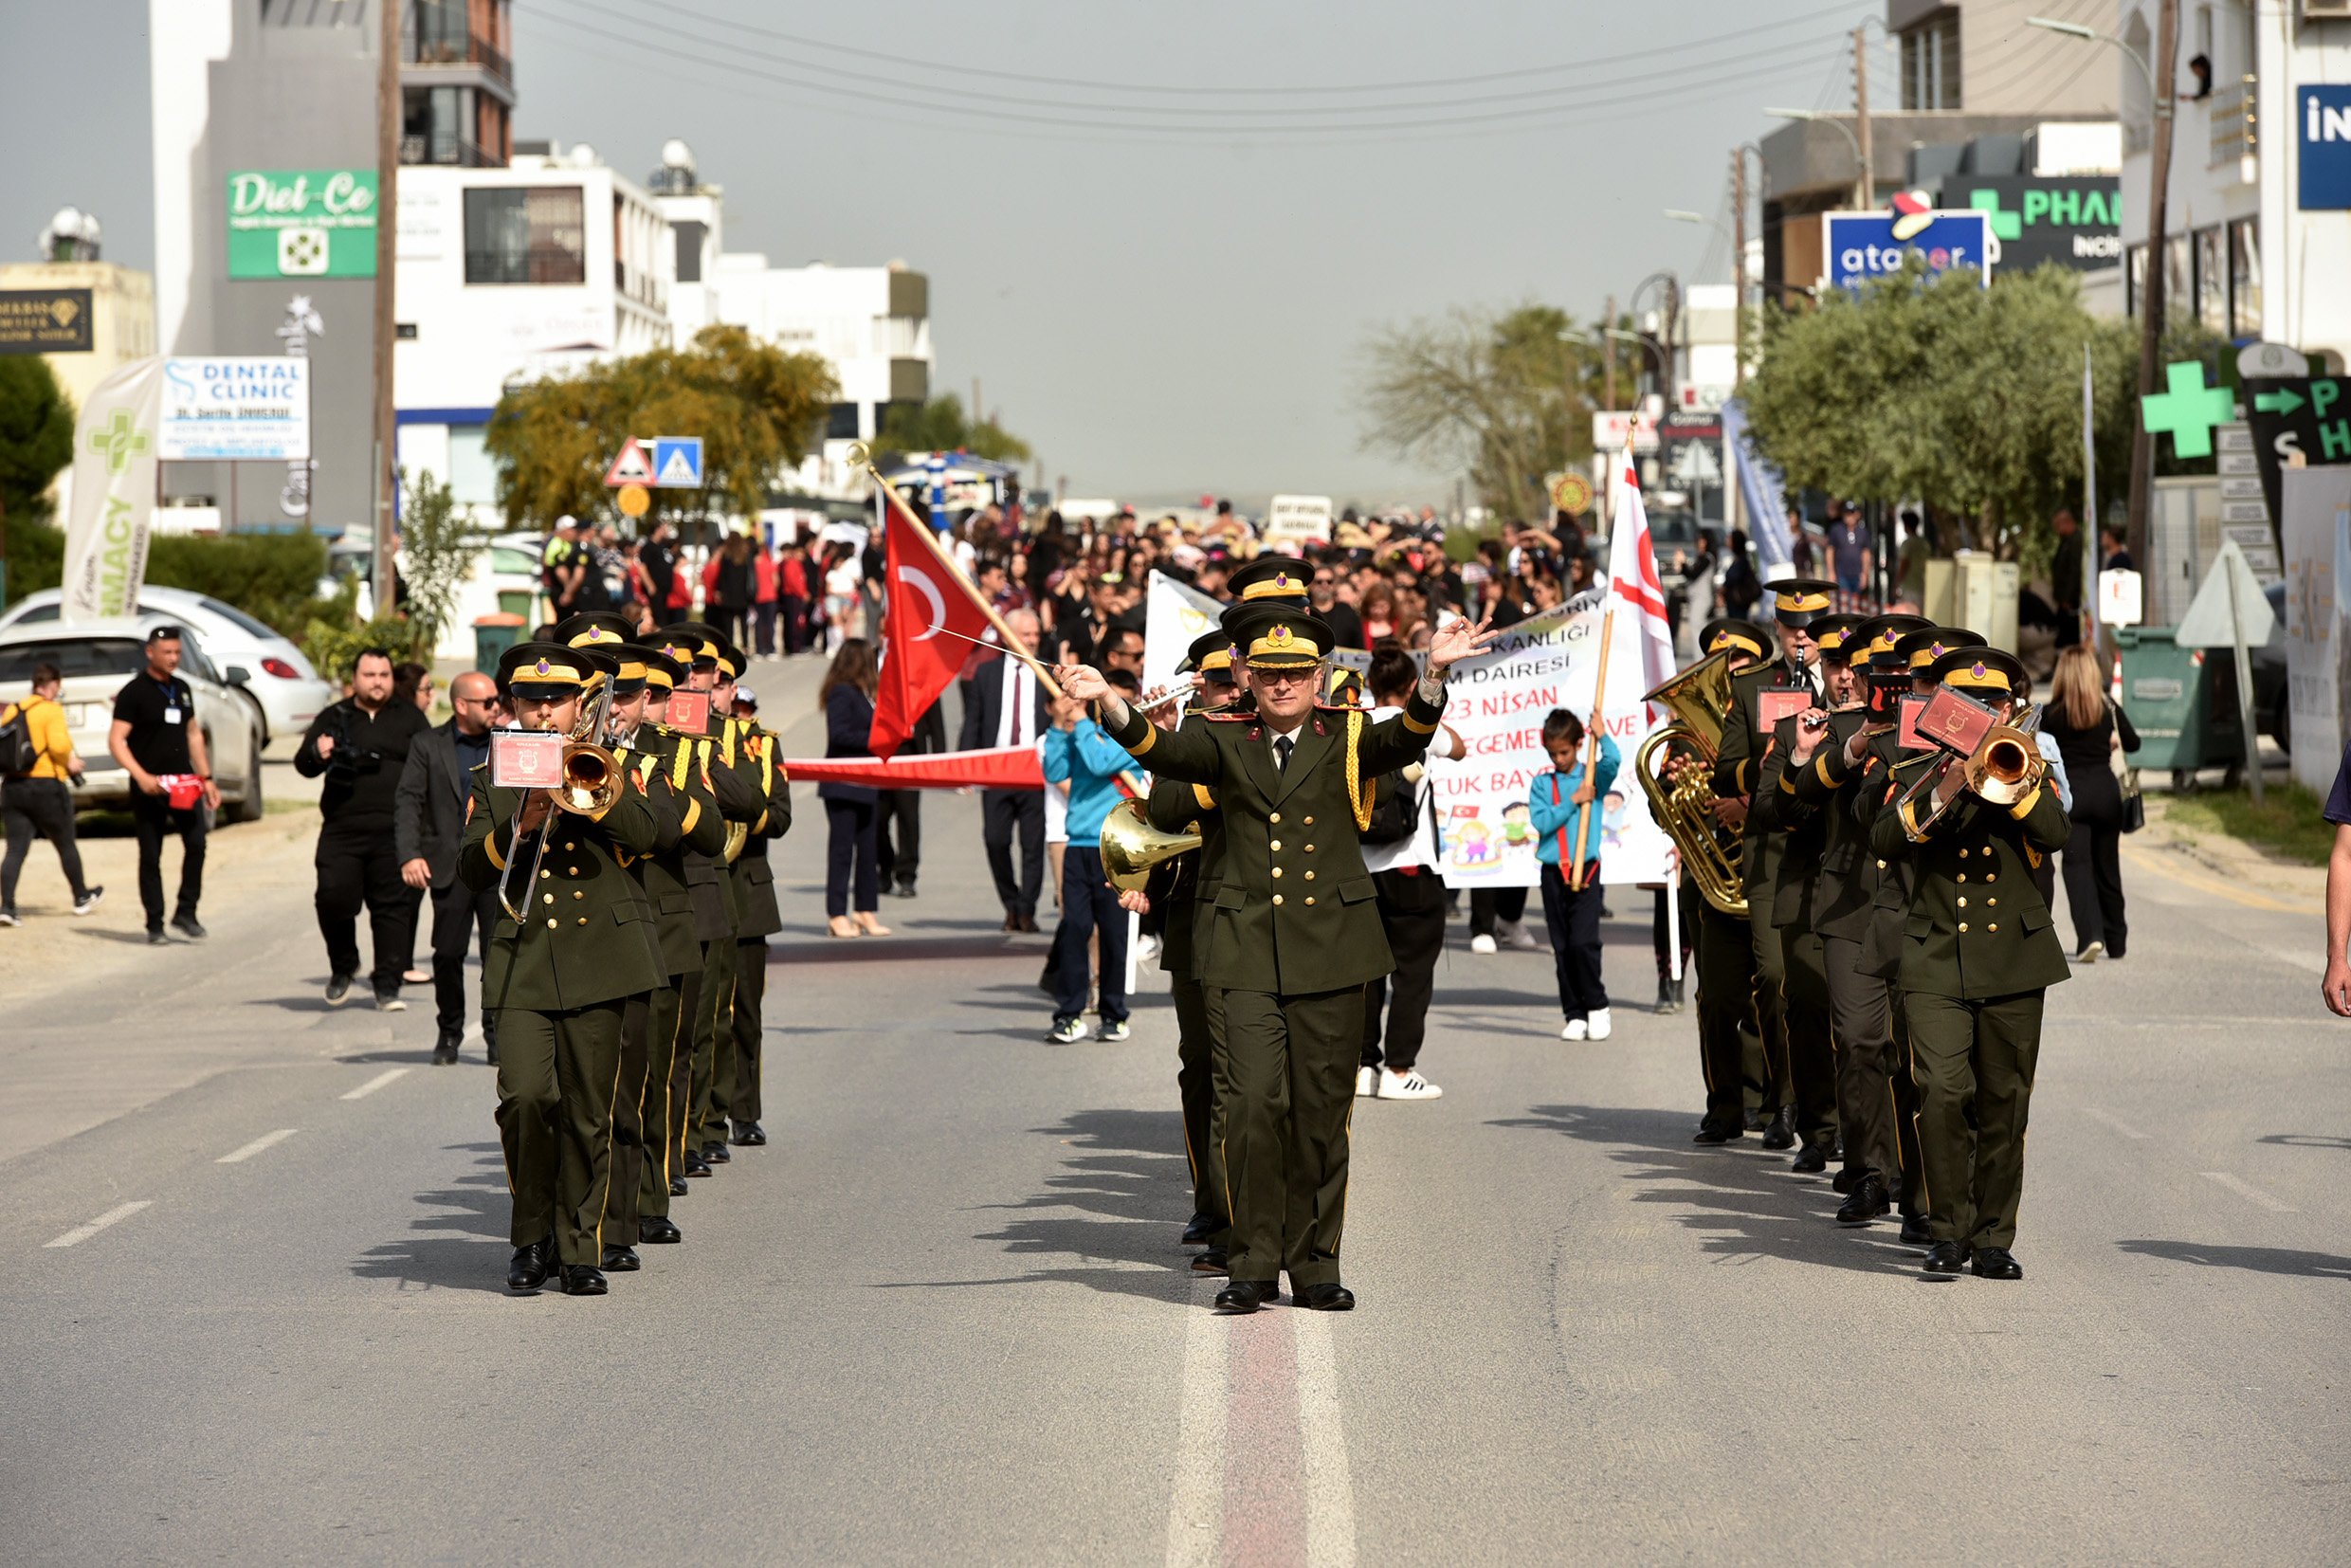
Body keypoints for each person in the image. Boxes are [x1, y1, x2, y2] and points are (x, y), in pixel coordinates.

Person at [1057, 599, 1497, 1314]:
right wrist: (1108, 699)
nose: (1282, 684)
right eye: (1268, 673)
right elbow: (1160, 752)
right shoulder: (1220, 735)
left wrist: (1433, 675)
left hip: (1332, 950)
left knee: (1321, 1113)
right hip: (1242, 952)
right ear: (1249, 677)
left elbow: (1410, 737)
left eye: (1295, 672)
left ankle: (1316, 1265)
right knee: (1253, 1105)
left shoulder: (1348, 733)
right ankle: (1252, 1264)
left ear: (1319, 675)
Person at [459, 640, 666, 1297]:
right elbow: (470, 867)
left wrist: (591, 787)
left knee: (586, 1110)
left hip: (599, 958)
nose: (544, 713)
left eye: (556, 701)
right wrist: (520, 824)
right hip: (522, 962)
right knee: (526, 1098)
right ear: (514, 706)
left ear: (579, 705)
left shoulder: (616, 763)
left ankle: (580, 1247)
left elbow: (648, 836)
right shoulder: (493, 773)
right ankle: (531, 1237)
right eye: (531, 702)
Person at [1872, 647, 2070, 1280]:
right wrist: (1948, 785)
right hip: (1936, 957)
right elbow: (1883, 838)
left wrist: (2009, 780)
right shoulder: (1917, 768)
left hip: (2013, 957)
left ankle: (1992, 1238)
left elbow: (2056, 833)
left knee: (2004, 1102)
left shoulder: (2030, 765)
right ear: (1944, 709)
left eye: (1995, 703)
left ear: (2011, 708)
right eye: (1968, 703)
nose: (1984, 713)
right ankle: (1947, 1230)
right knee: (1940, 1092)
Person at [296, 648, 431, 1009]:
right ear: (354, 679)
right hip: (342, 830)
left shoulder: (410, 718)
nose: (377, 682)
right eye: (369, 675)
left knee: (392, 909)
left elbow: (431, 765)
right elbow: (303, 764)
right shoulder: (335, 716)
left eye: (384, 675)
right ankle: (344, 965)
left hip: (394, 831)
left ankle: (387, 984)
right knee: (332, 897)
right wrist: (317, 752)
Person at [1358, 647, 1463, 1098]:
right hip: (1411, 867)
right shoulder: (1417, 725)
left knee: (1365, 974)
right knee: (1413, 974)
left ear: (1370, 685)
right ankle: (1399, 1072)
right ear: (1409, 688)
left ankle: (1363, 1067)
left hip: (1360, 868)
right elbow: (1459, 748)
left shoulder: (1356, 726)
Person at [395, 669, 502, 1064]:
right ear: (460, 705)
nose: (496, 708)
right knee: (447, 954)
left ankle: (496, 1038)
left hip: (496, 864)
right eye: (487, 702)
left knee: (498, 956)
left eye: (497, 700)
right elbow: (409, 799)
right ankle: (449, 1031)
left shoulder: (508, 743)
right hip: (450, 866)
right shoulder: (428, 744)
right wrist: (410, 854)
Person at [109, 626, 220, 946]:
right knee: (151, 854)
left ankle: (186, 911)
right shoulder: (134, 692)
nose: (173, 658)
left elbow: (193, 734)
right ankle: (154, 923)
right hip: (150, 786)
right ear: (150, 653)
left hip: (183, 784)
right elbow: (116, 741)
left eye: (177, 652)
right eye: (167, 652)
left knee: (197, 843)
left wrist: (207, 778)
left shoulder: (181, 689)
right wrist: (141, 776)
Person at [1042, 679, 1134, 1043]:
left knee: (1113, 933)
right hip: (1078, 845)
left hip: (1115, 846)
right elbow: (1054, 771)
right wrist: (1057, 725)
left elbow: (1099, 763)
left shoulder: (1132, 740)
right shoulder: (1085, 733)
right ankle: (1069, 1013)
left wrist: (1078, 721)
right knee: (1074, 927)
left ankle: (1113, 1014)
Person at [2041, 643, 2139, 961]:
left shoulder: (2051, 714)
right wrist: (2110, 740)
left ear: (2063, 676)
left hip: (2072, 797)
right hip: (2107, 795)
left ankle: (2090, 937)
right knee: (2108, 867)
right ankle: (2117, 940)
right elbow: (2134, 743)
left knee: (2077, 866)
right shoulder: (2107, 707)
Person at [1530, 705, 1621, 1041]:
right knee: (1562, 947)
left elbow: (1613, 761)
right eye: (1552, 754)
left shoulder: (1592, 775)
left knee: (1583, 942)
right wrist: (1573, 800)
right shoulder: (1542, 784)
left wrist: (1602, 734)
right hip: (1553, 874)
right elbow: (1542, 822)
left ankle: (1597, 1005)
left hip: (1587, 870)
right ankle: (1574, 1012)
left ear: (1579, 745)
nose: (1558, 759)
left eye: (1564, 752)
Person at [961, 609, 1051, 932]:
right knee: (995, 840)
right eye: (1026, 634)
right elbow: (973, 721)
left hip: (1035, 772)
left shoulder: (1047, 673)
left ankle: (1026, 909)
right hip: (996, 770)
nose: (1032, 640)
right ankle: (1010, 902)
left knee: (1033, 845)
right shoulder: (987, 673)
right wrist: (965, 766)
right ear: (1007, 635)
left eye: (1036, 635)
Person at [1, 662, 100, 924]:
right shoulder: (51, 709)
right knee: (65, 842)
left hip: (13, 786)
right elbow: (58, 746)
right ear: (53, 684)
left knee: (15, 849)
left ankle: (7, 906)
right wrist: (71, 763)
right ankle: (81, 896)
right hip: (46, 786)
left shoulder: (13, 709)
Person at [818, 639, 886, 939]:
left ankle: (865, 909)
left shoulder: (864, 694)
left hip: (866, 781)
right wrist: (876, 738)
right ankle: (836, 913)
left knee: (869, 850)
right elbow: (840, 734)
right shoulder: (841, 692)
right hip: (843, 783)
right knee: (842, 851)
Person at [1827, 501, 1872, 596]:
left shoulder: (1862, 532)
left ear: (1857, 514)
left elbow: (1866, 553)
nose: (1849, 516)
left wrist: (1865, 573)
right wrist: (1831, 572)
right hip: (1841, 574)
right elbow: (1830, 551)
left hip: (1858, 574)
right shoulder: (1836, 530)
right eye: (1846, 513)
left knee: (1857, 601)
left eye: (1851, 513)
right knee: (1844, 600)